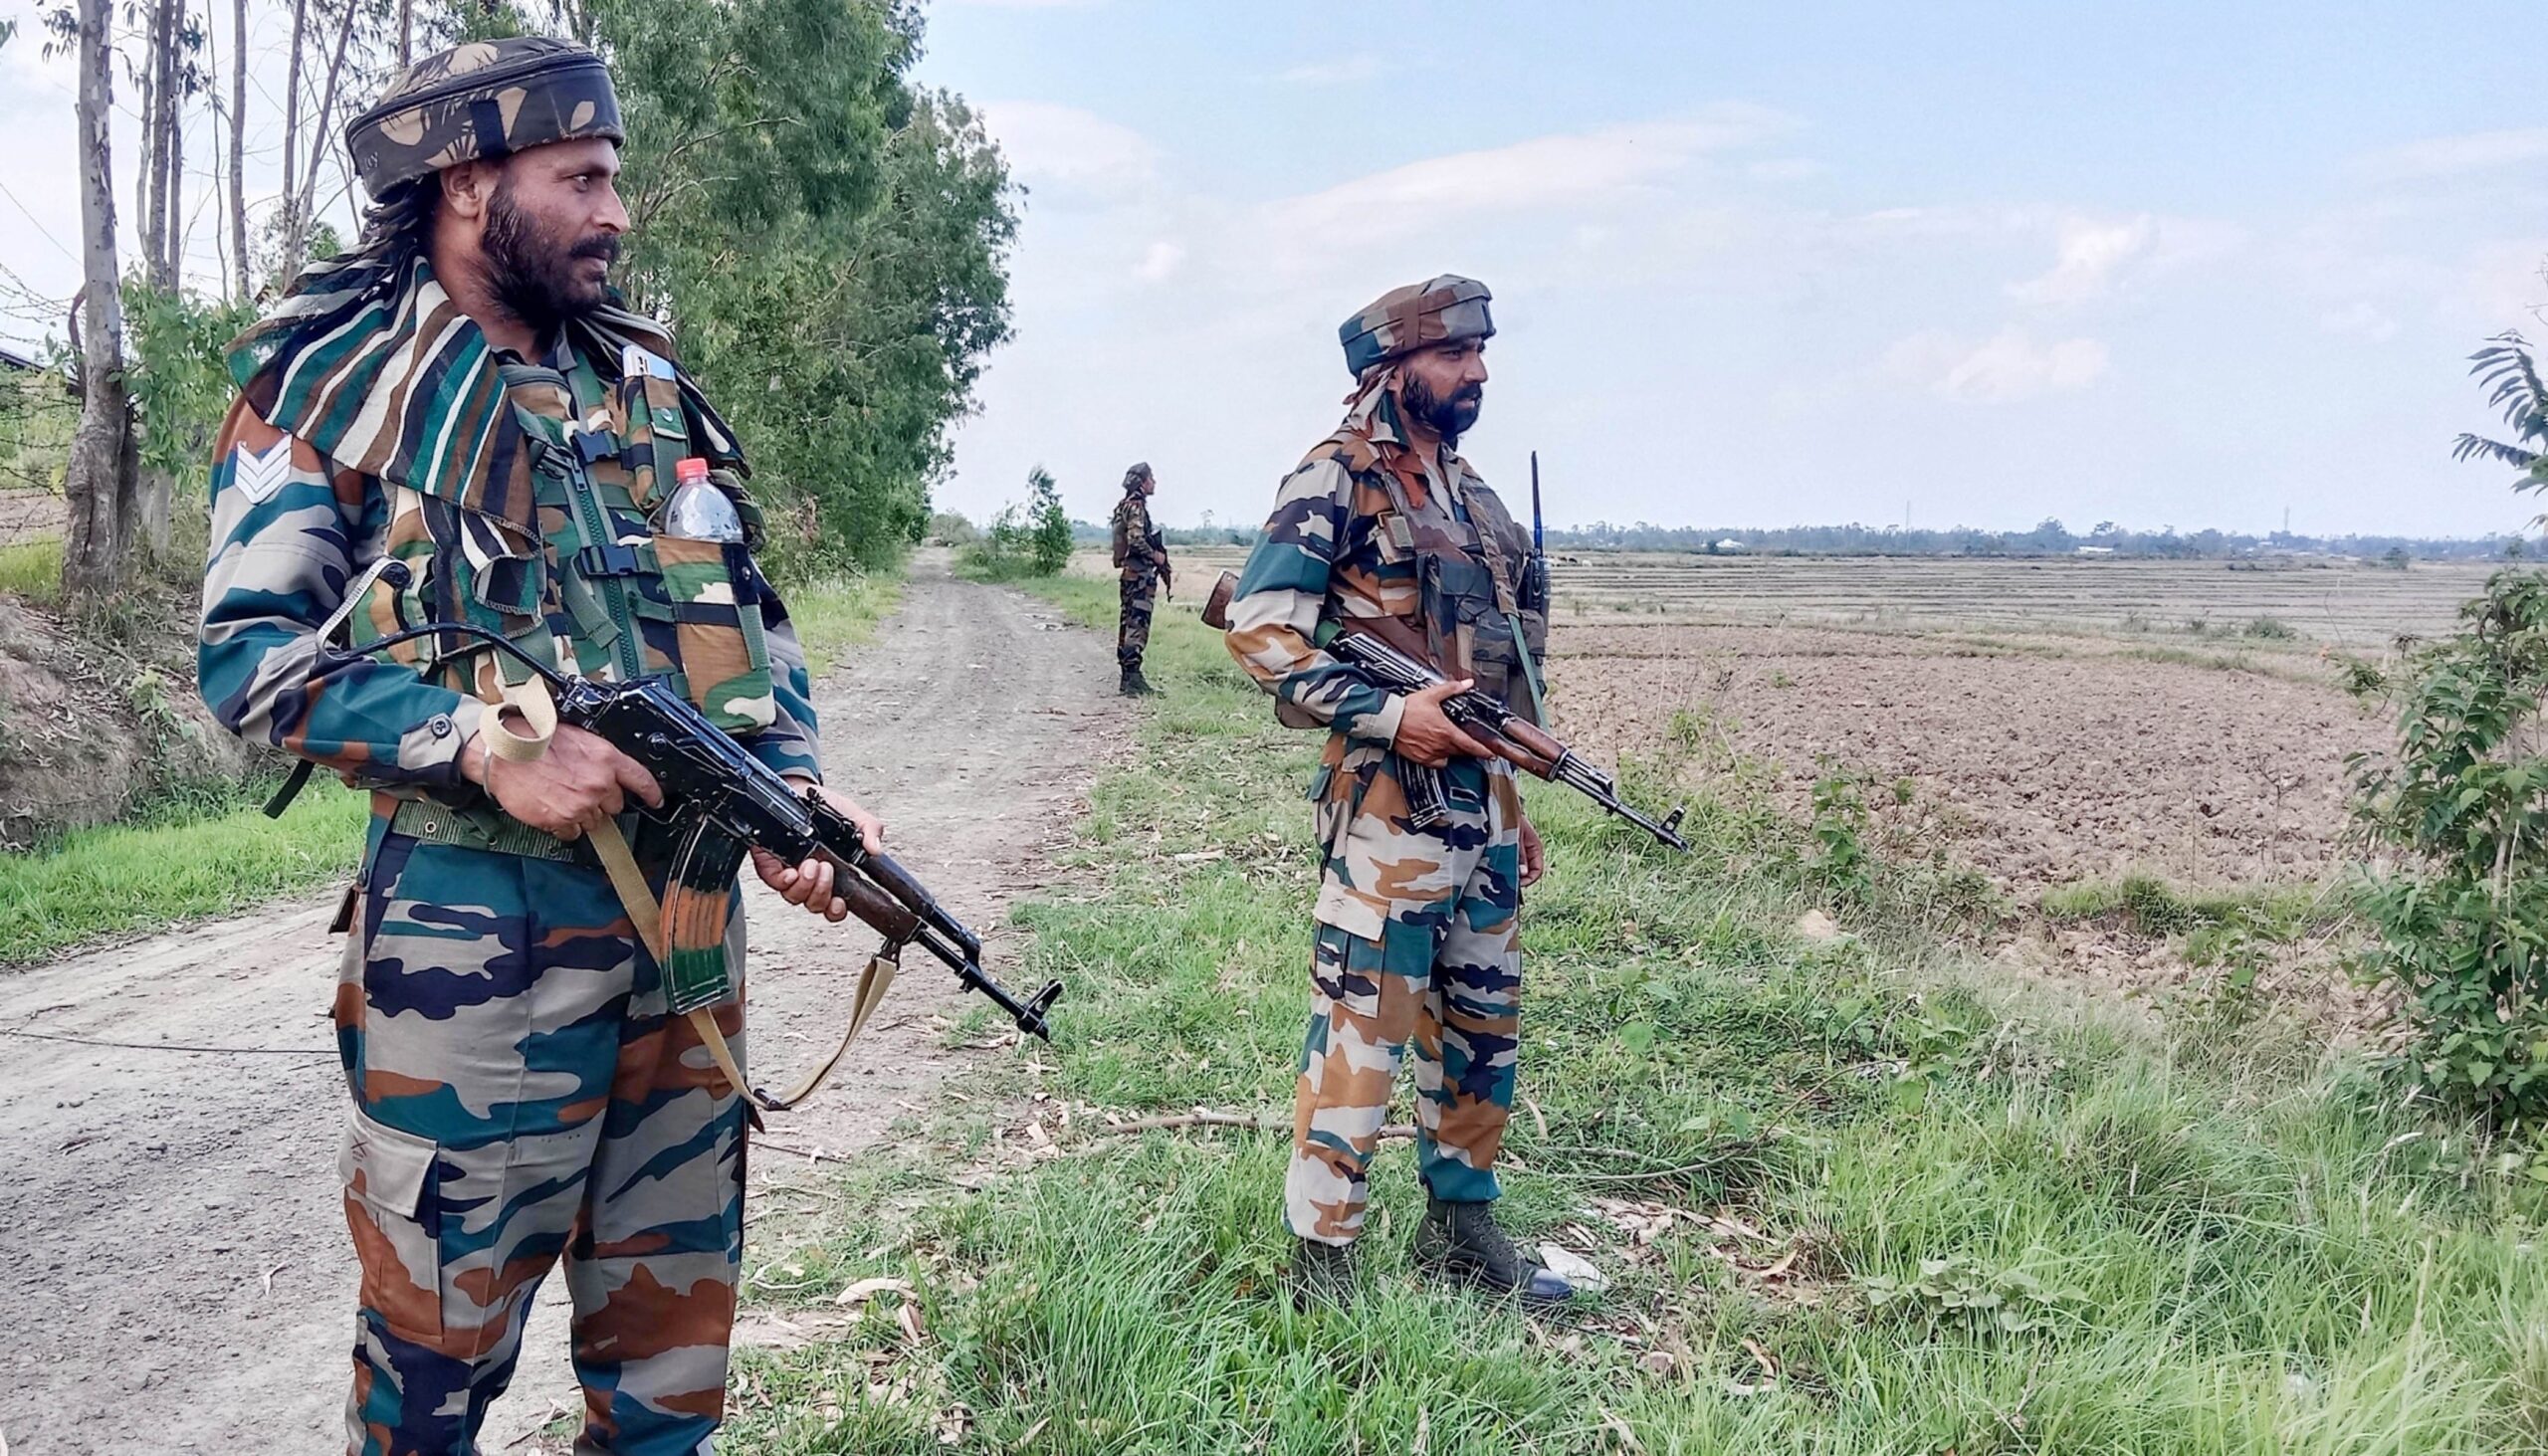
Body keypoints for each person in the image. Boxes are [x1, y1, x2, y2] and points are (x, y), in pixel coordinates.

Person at [197, 38, 882, 1454]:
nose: (615, 212)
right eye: (580, 178)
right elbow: (249, 659)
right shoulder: (334, 391)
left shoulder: (642, 388)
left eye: (612, 179)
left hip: (685, 949)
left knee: (670, 1382)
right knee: (430, 1381)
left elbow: (748, 619)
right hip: (472, 964)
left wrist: (794, 785)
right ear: (468, 183)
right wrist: (479, 743)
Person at [1220, 275, 1570, 1308]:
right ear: (1395, 364)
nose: (1478, 371)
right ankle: (1322, 1259)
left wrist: (1512, 801)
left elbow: (1489, 677)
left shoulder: (1478, 499)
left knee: (1481, 1029)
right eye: (1455, 353)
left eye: (1482, 351)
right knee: (1361, 1033)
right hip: (1385, 813)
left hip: (1480, 818)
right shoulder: (1334, 477)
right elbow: (1260, 630)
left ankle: (1461, 1228)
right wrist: (1387, 714)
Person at [1110, 461, 1171, 695]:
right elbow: (1136, 539)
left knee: (1127, 623)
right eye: (1151, 478)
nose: (1154, 482)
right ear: (1143, 483)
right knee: (1137, 624)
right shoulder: (1136, 507)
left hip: (1129, 575)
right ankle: (1133, 679)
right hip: (1140, 577)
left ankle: (1128, 678)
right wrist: (1155, 556)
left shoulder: (1123, 505)